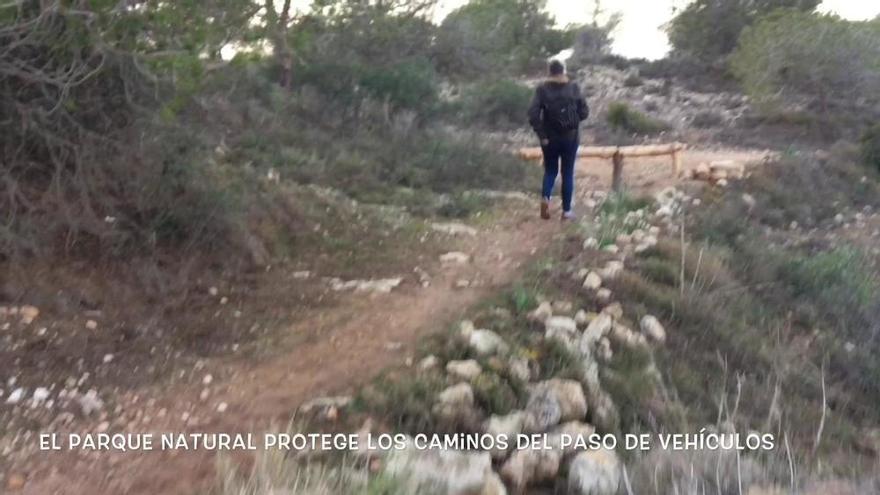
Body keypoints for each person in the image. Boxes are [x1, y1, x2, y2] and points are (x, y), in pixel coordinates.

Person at [527, 59, 589, 220]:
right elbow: (584, 112)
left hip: (549, 139)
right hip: (571, 138)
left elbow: (533, 114)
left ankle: (545, 198)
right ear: (563, 71)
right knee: (567, 173)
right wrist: (571, 121)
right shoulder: (573, 87)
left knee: (550, 171)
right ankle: (567, 211)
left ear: (549, 71)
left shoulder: (542, 89)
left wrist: (542, 135)